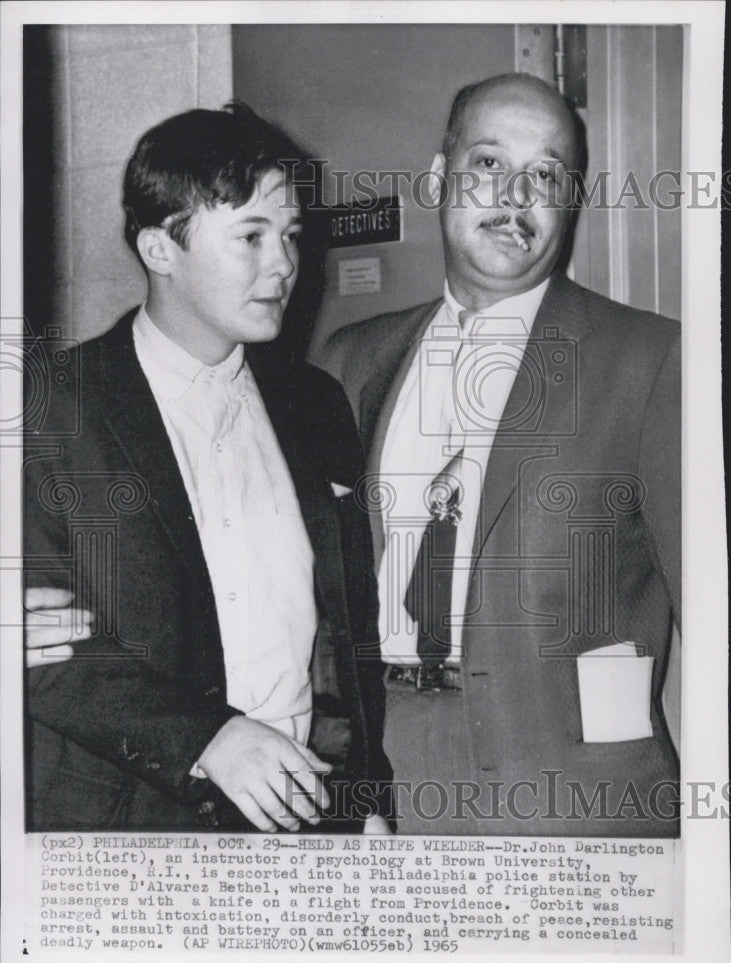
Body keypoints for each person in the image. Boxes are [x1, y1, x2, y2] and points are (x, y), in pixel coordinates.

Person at [309, 73, 680, 836]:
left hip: (574, 799)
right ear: (438, 178)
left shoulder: (649, 359)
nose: (515, 192)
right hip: (384, 784)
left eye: (544, 172)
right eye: (487, 163)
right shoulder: (349, 361)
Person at [23, 103, 391, 833]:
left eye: (288, 236)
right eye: (250, 236)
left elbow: (345, 633)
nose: (284, 264)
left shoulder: (314, 402)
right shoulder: (48, 410)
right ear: (162, 248)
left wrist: (362, 798)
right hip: (126, 832)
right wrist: (204, 737)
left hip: (307, 819)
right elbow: (39, 648)